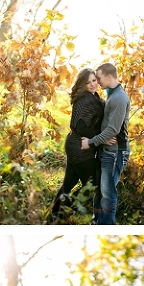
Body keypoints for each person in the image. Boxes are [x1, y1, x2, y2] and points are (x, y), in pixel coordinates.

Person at [49, 69, 106, 223]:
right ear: (82, 85)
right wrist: (100, 139)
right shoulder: (85, 100)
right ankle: (64, 210)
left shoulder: (93, 97)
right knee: (93, 182)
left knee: (68, 184)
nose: (93, 84)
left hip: (75, 143)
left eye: (94, 80)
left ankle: (53, 216)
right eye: (88, 82)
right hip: (80, 146)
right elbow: (80, 127)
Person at [81, 62, 130, 225]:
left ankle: (106, 225)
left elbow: (112, 130)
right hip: (107, 150)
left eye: (99, 78)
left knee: (108, 193)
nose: (98, 81)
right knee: (100, 190)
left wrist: (91, 142)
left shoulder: (119, 98)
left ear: (109, 77)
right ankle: (97, 221)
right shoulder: (111, 93)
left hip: (115, 152)